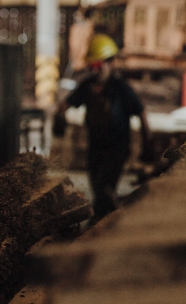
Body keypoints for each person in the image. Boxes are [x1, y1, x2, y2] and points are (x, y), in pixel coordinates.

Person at [52, 34, 149, 220]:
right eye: (92, 66)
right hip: (95, 147)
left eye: (98, 65)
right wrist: (59, 116)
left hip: (117, 148)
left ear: (110, 62)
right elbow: (67, 103)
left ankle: (105, 220)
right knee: (98, 187)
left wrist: (147, 142)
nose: (95, 71)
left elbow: (141, 113)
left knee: (106, 187)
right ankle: (107, 220)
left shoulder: (121, 88)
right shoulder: (87, 86)